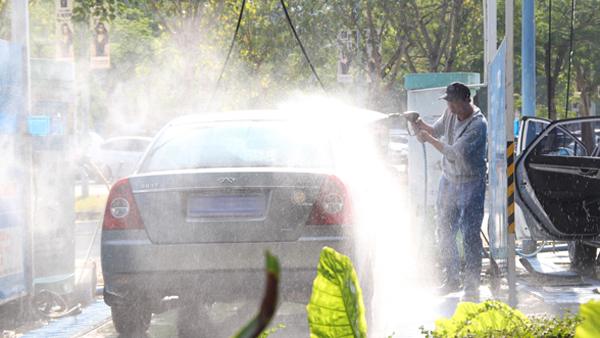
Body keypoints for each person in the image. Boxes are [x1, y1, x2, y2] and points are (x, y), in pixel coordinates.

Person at [409, 82, 488, 301]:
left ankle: (472, 286)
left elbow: (454, 153)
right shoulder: (450, 112)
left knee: (470, 236)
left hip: (471, 184)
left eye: (454, 102)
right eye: (448, 102)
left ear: (467, 100)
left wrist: (429, 139)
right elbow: (436, 130)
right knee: (444, 231)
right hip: (449, 181)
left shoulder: (478, 125)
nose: (451, 106)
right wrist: (421, 125)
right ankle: (452, 279)